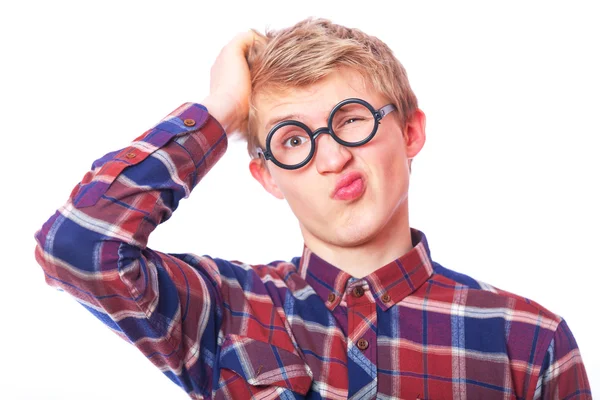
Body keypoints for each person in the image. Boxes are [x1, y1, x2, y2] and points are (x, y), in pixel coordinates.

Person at [34, 18, 591, 399]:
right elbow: (76, 248)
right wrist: (220, 111)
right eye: (293, 141)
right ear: (266, 176)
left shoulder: (530, 341)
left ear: (411, 130)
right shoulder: (227, 310)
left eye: (351, 119)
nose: (332, 158)